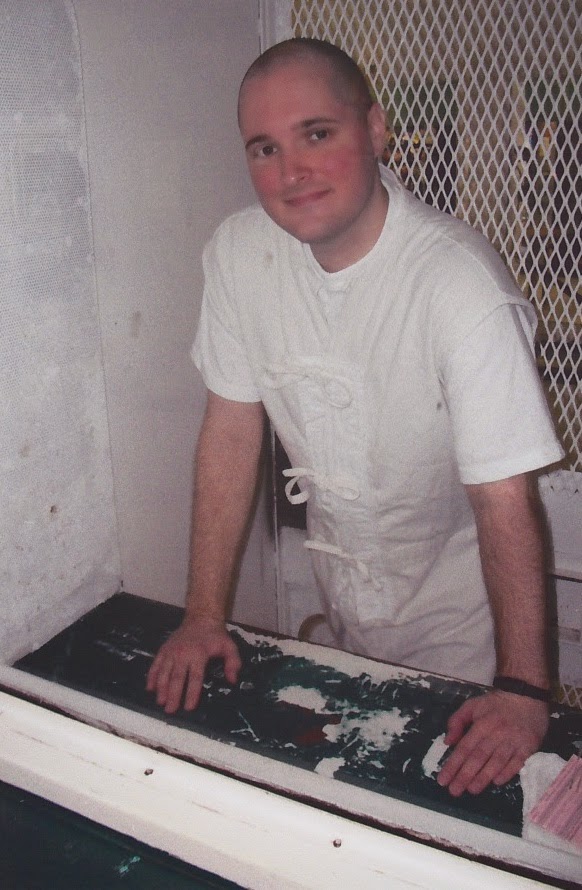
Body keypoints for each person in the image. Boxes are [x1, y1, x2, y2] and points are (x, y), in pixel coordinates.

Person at [147, 38, 564, 797]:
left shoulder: (459, 284)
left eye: (317, 134)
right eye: (265, 148)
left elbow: (503, 498)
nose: (291, 172)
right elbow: (232, 433)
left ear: (375, 130)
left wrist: (524, 689)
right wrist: (203, 614)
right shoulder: (238, 254)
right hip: (343, 616)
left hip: (468, 636)